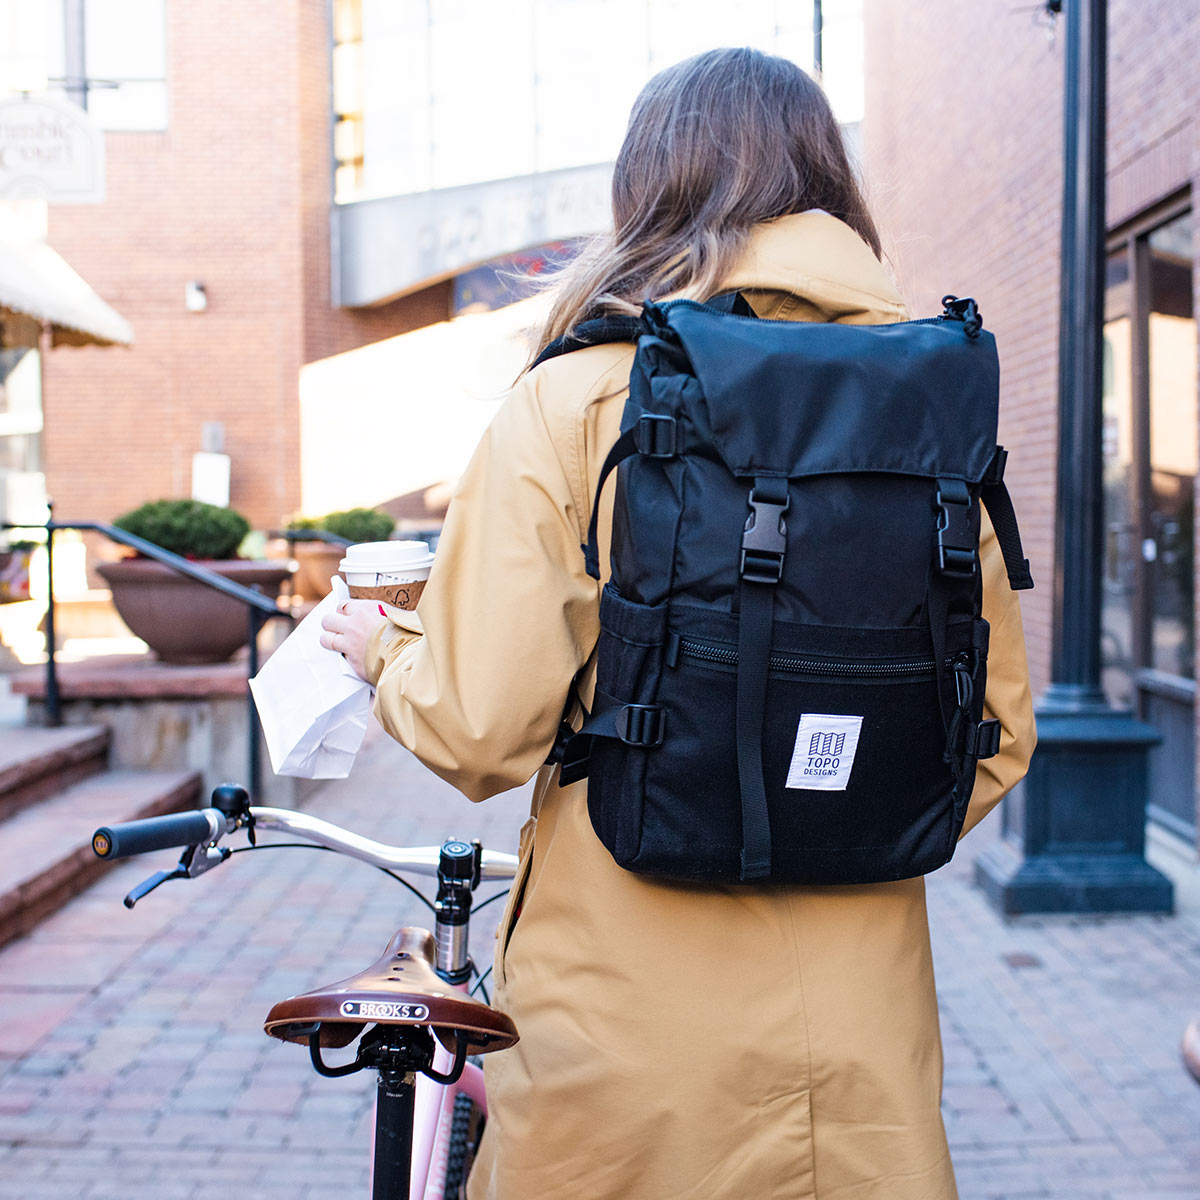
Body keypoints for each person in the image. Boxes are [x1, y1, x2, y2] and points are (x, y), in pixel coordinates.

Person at [321, 47, 1036, 1200]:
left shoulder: (577, 397)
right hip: (861, 1048)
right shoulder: (924, 402)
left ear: (645, 188)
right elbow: (992, 735)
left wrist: (383, 652)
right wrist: (833, 802)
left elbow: (479, 727)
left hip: (626, 1036)